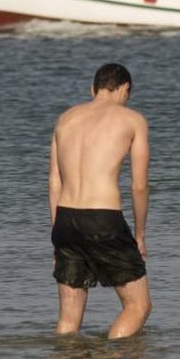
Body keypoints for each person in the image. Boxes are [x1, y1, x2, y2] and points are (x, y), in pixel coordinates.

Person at [49, 62, 152, 338]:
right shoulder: (132, 120)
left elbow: (54, 183)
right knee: (138, 306)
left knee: (68, 320)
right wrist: (140, 234)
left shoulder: (65, 119)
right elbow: (139, 185)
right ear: (125, 89)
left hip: (65, 220)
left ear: (92, 88)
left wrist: (56, 237)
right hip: (103, 218)